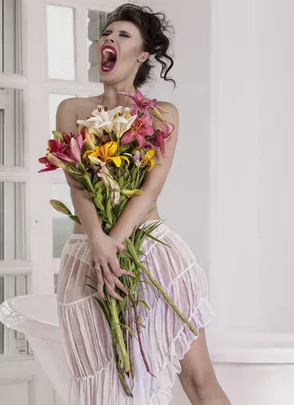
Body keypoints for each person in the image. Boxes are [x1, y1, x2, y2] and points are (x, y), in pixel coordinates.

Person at [55, 4, 230, 405]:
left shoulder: (162, 114)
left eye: (123, 35)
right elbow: (77, 185)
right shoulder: (72, 110)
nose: (109, 40)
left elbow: (150, 190)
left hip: (151, 250)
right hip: (87, 255)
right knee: (102, 386)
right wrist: (97, 241)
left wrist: (113, 242)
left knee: (199, 380)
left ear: (144, 54)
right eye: (106, 34)